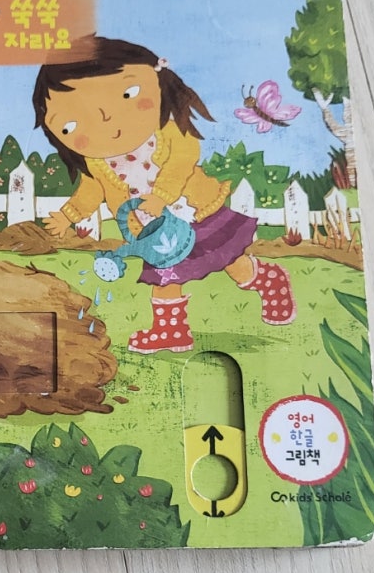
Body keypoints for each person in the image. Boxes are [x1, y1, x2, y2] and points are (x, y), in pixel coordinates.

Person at [33, 35, 295, 353]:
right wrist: (68, 215)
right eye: (69, 126)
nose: (105, 121)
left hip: (197, 214)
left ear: (156, 80)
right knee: (165, 278)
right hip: (152, 233)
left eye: (128, 94)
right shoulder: (96, 162)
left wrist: (161, 196)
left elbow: (183, 160)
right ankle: (172, 331)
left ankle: (269, 281)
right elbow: (91, 190)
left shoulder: (169, 132)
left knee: (232, 262)